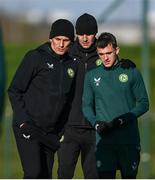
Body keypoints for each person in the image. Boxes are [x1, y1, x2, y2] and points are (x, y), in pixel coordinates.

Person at [57, 13, 136, 179]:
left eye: (90, 33)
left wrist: (125, 63)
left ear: (96, 33)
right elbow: (48, 53)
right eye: (81, 34)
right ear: (76, 34)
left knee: (93, 176)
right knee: (64, 174)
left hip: (95, 129)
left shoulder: (102, 54)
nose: (85, 38)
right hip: (69, 127)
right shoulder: (66, 52)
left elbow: (114, 63)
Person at [8, 19, 77, 179]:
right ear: (51, 38)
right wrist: (24, 121)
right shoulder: (35, 57)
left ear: (71, 42)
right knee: (33, 173)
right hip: (28, 127)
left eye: (66, 40)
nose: (61, 44)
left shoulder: (71, 64)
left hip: (51, 132)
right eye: (58, 39)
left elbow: (70, 99)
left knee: (45, 175)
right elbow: (14, 90)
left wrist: (61, 129)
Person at [82, 32, 149, 179]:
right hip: (105, 141)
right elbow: (86, 106)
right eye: (101, 54)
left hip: (128, 140)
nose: (105, 58)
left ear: (117, 50)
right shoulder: (91, 76)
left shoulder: (131, 71)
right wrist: (96, 123)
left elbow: (144, 103)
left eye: (109, 53)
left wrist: (126, 118)